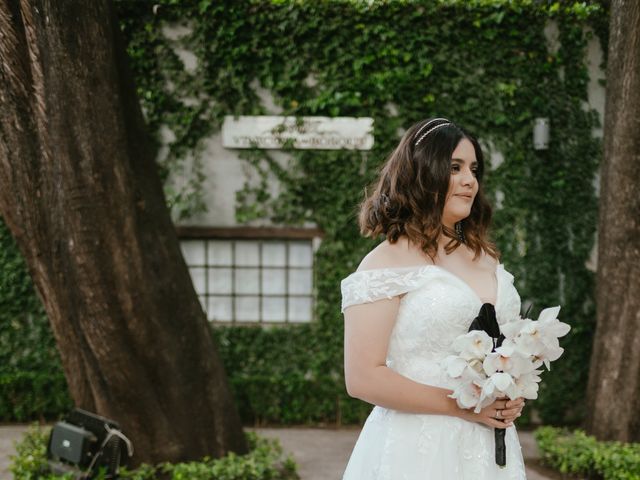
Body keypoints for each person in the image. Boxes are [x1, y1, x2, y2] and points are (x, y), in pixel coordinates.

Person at [341, 118, 527, 479]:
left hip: (488, 448)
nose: (470, 180)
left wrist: (508, 392)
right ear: (422, 173)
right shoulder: (384, 263)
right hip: (415, 448)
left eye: (474, 169)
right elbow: (362, 377)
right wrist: (464, 407)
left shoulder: (485, 256)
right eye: (455, 168)